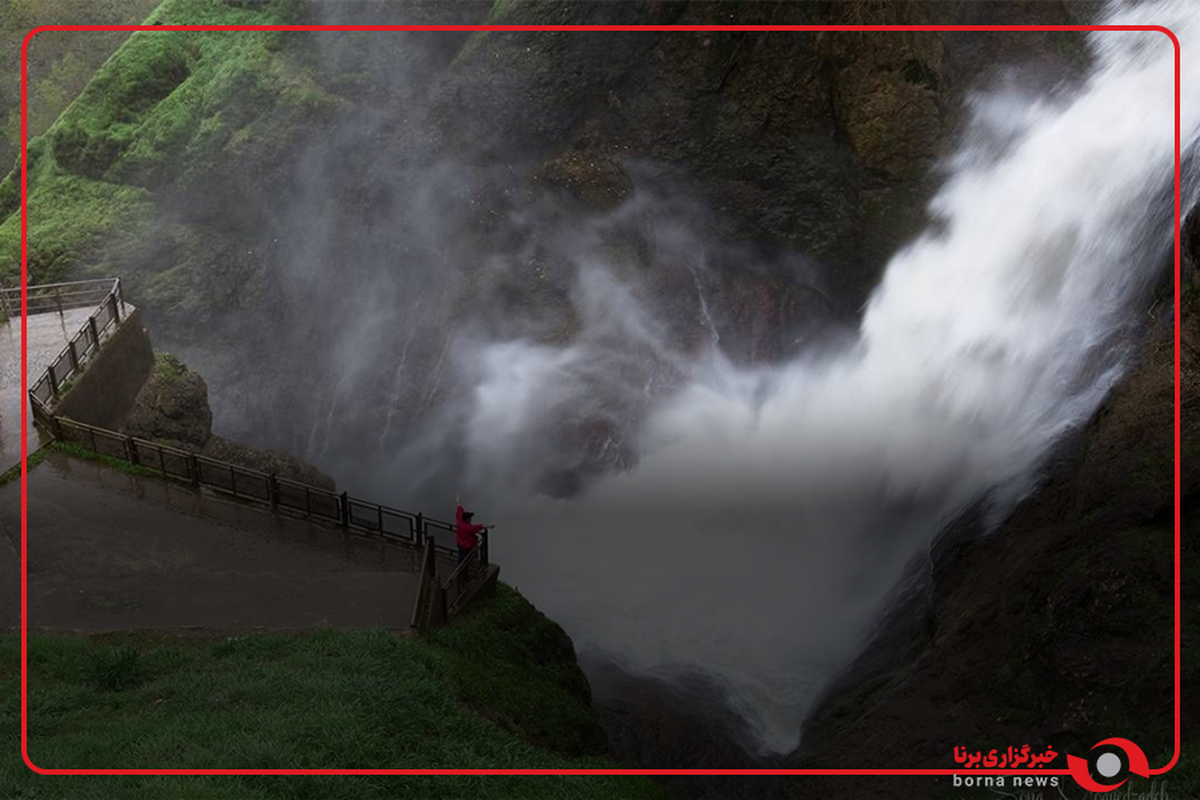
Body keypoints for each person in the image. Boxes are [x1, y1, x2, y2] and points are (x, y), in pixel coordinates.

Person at [455, 493, 494, 565]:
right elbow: (479, 526)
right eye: (470, 518)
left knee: (461, 556)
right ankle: (462, 571)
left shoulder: (459, 519)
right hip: (466, 546)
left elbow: (459, 507)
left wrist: (458, 500)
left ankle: (459, 566)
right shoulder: (468, 528)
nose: (471, 519)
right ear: (467, 520)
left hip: (459, 542)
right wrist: (490, 526)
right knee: (465, 559)